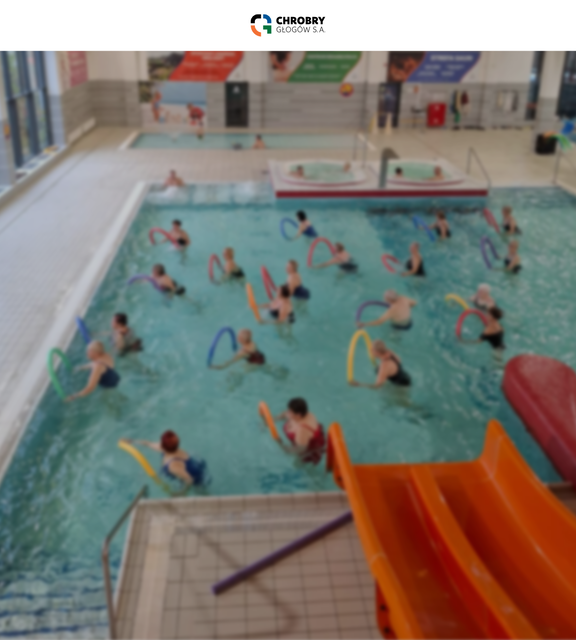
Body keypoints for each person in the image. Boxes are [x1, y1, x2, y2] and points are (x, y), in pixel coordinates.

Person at [123, 431, 207, 487]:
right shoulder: (165, 448)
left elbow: (189, 480)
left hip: (195, 477)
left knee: (200, 490)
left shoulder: (174, 465)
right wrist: (132, 441)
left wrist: (181, 493)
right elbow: (148, 443)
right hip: (191, 465)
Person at [276, 398, 325, 464]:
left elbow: (300, 449)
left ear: (298, 415)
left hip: (310, 450)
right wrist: (273, 419)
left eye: (290, 412)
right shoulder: (302, 414)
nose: (287, 413)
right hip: (310, 437)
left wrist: (280, 444)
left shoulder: (302, 430)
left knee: (296, 465)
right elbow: (285, 414)